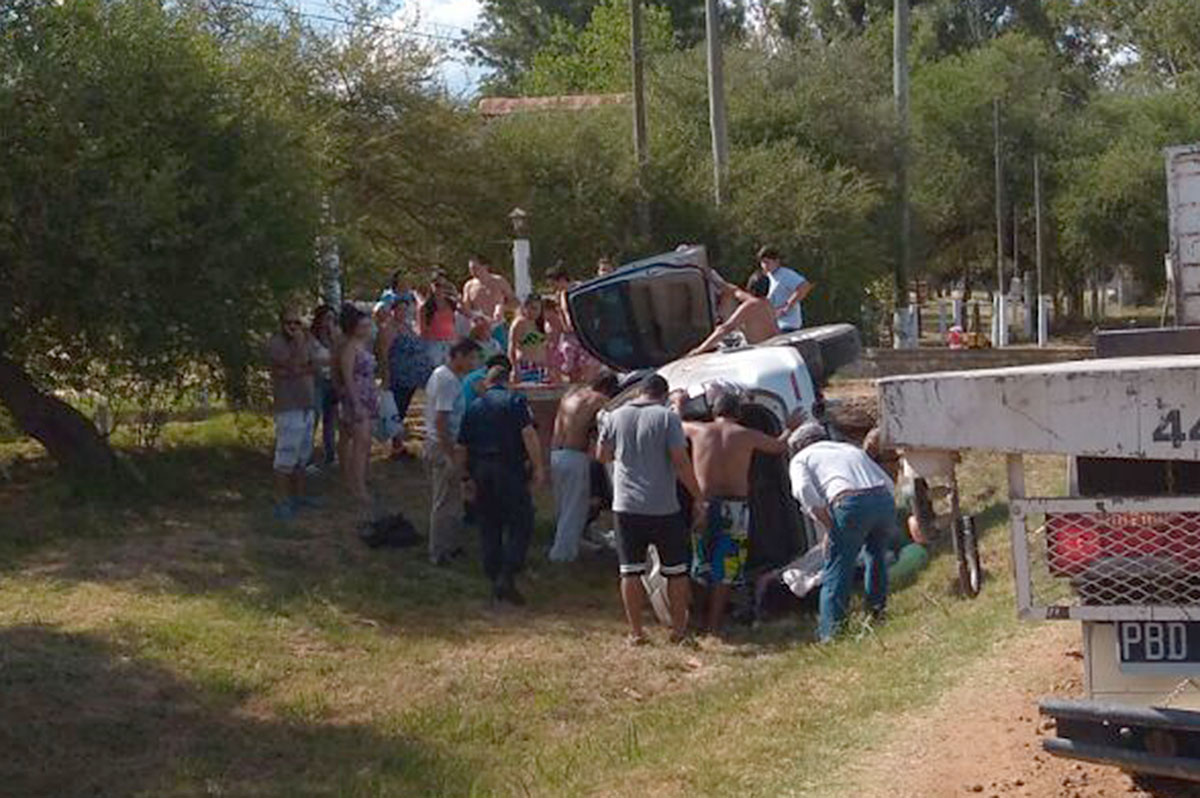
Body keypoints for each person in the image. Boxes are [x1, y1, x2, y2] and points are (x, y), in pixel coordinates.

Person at [680, 393, 802, 632]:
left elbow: (674, 424)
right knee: (725, 568)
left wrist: (679, 405)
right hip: (735, 508)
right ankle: (714, 624)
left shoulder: (698, 431)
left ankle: (692, 617)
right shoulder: (746, 435)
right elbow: (778, 446)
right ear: (738, 413)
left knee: (699, 563)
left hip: (703, 505)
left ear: (714, 411)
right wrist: (790, 427)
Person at [597, 374, 704, 645]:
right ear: (663, 395)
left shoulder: (614, 416)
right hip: (663, 506)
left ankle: (636, 632)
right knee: (675, 571)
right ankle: (679, 631)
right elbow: (680, 462)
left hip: (626, 506)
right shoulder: (667, 418)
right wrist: (699, 497)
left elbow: (602, 455)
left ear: (639, 393)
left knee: (629, 571)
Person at [787, 422, 896, 642]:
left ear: (799, 446)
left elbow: (803, 491)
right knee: (876, 558)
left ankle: (832, 632)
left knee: (837, 567)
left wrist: (829, 525)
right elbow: (887, 482)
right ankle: (876, 613)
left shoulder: (801, 458)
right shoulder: (849, 449)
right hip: (883, 499)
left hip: (850, 503)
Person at [458, 363, 547, 604]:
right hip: (509, 469)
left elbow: (462, 446)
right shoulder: (515, 401)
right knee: (521, 521)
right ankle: (507, 574)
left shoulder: (475, 406)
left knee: (489, 522)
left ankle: (493, 574)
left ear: (488, 382)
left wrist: (465, 476)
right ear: (507, 381)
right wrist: (538, 467)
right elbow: (528, 434)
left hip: (482, 470)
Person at [548, 371, 620, 562]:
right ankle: (562, 555)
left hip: (555, 453)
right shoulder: (600, 400)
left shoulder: (571, 393)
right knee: (574, 509)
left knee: (562, 506)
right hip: (575, 455)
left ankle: (569, 543)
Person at [423, 337, 482, 565]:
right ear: (458, 356)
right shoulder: (447, 380)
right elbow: (441, 420)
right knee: (444, 500)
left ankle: (451, 544)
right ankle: (438, 551)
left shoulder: (447, 377)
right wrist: (450, 453)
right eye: (471, 358)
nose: (474, 363)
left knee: (454, 500)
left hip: (447, 443)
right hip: (442, 445)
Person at [266, 307, 317, 520]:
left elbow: (316, 364)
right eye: (290, 323)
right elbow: (293, 366)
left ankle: (300, 495)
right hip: (289, 406)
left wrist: (302, 366)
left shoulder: (307, 340)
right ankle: (281, 501)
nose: (294, 328)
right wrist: (297, 350)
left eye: (298, 323)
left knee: (302, 457)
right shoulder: (276, 344)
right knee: (285, 457)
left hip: (307, 405)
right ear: (282, 324)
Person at [338, 304, 378, 508]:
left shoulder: (365, 346)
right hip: (356, 397)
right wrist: (356, 403)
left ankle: (358, 479)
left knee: (366, 442)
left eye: (367, 325)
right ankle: (357, 487)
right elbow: (348, 378)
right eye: (362, 326)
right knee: (360, 443)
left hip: (369, 393)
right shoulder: (349, 348)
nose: (366, 329)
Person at [387, 297, 433, 462]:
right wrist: (385, 376)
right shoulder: (389, 329)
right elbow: (384, 353)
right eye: (399, 309)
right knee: (397, 410)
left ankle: (400, 444)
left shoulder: (407, 327)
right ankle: (396, 445)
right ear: (392, 310)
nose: (402, 312)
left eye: (405, 309)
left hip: (411, 377)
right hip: (398, 376)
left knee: (404, 409)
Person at [687, 275, 780, 355]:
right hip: (773, 346)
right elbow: (737, 292)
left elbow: (725, 329)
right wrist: (718, 281)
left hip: (760, 350)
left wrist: (699, 349)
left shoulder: (749, 306)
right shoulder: (767, 303)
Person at [461, 255, 516, 350]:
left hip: (497, 325)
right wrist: (474, 316)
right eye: (470, 269)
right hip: (479, 327)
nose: (473, 272)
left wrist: (502, 308)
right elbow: (466, 308)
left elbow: (515, 302)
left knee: (500, 355)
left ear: (485, 267)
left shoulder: (499, 281)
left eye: (475, 268)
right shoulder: (469, 286)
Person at [309, 304, 339, 471]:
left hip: (332, 381)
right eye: (327, 318)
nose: (329, 322)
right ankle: (307, 458)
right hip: (317, 381)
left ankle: (330, 455)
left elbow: (340, 356)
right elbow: (310, 359)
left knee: (330, 421)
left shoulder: (335, 338)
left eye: (332, 319)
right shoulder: (311, 338)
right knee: (314, 418)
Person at [758, 246, 814, 333]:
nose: (764, 266)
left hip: (787, 325)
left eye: (767, 262)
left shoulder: (785, 274)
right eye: (762, 263)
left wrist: (787, 307)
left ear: (776, 261)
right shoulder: (767, 277)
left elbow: (804, 286)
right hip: (773, 326)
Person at [419, 274, 459, 368]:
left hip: (450, 341)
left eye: (443, 286)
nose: (440, 289)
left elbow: (464, 312)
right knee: (435, 369)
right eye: (437, 285)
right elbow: (422, 329)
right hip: (434, 343)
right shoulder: (426, 307)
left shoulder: (451, 303)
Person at [508, 294, 549, 384]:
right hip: (525, 366)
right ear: (524, 307)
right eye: (532, 308)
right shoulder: (520, 323)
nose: (535, 312)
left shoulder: (541, 324)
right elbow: (512, 348)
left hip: (540, 367)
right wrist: (514, 369)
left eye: (538, 309)